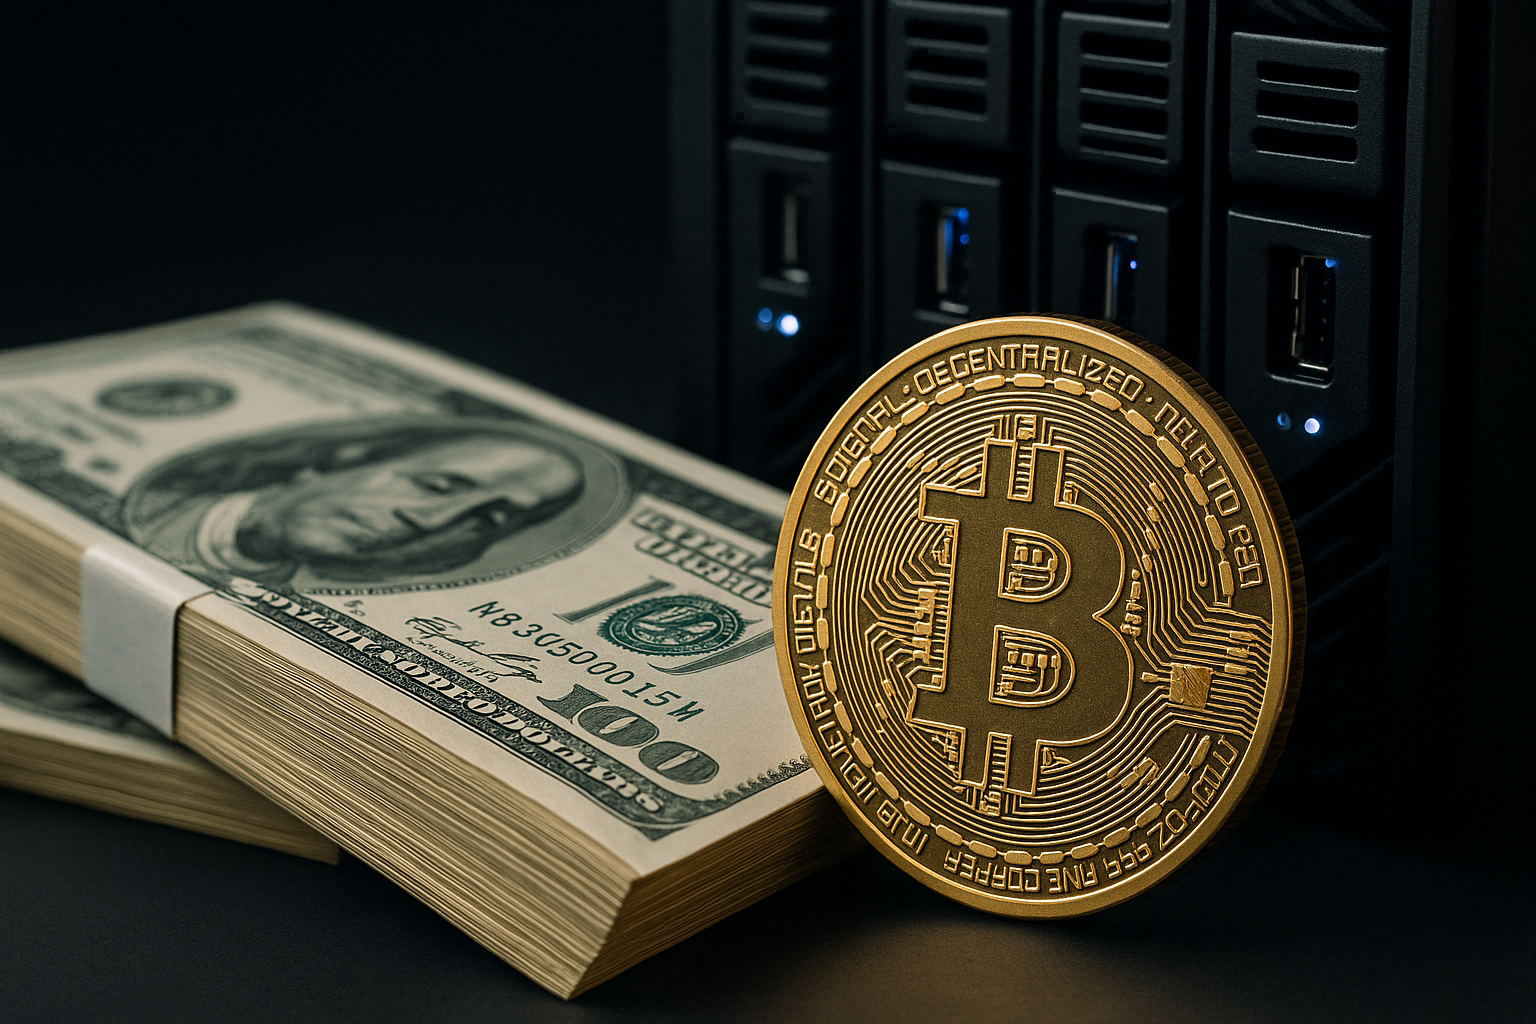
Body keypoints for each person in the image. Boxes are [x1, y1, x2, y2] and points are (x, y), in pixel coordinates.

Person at [134, 428, 584, 585]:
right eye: (438, 485)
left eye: (488, 518)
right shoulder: (158, 507)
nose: (430, 521)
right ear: (348, 461)